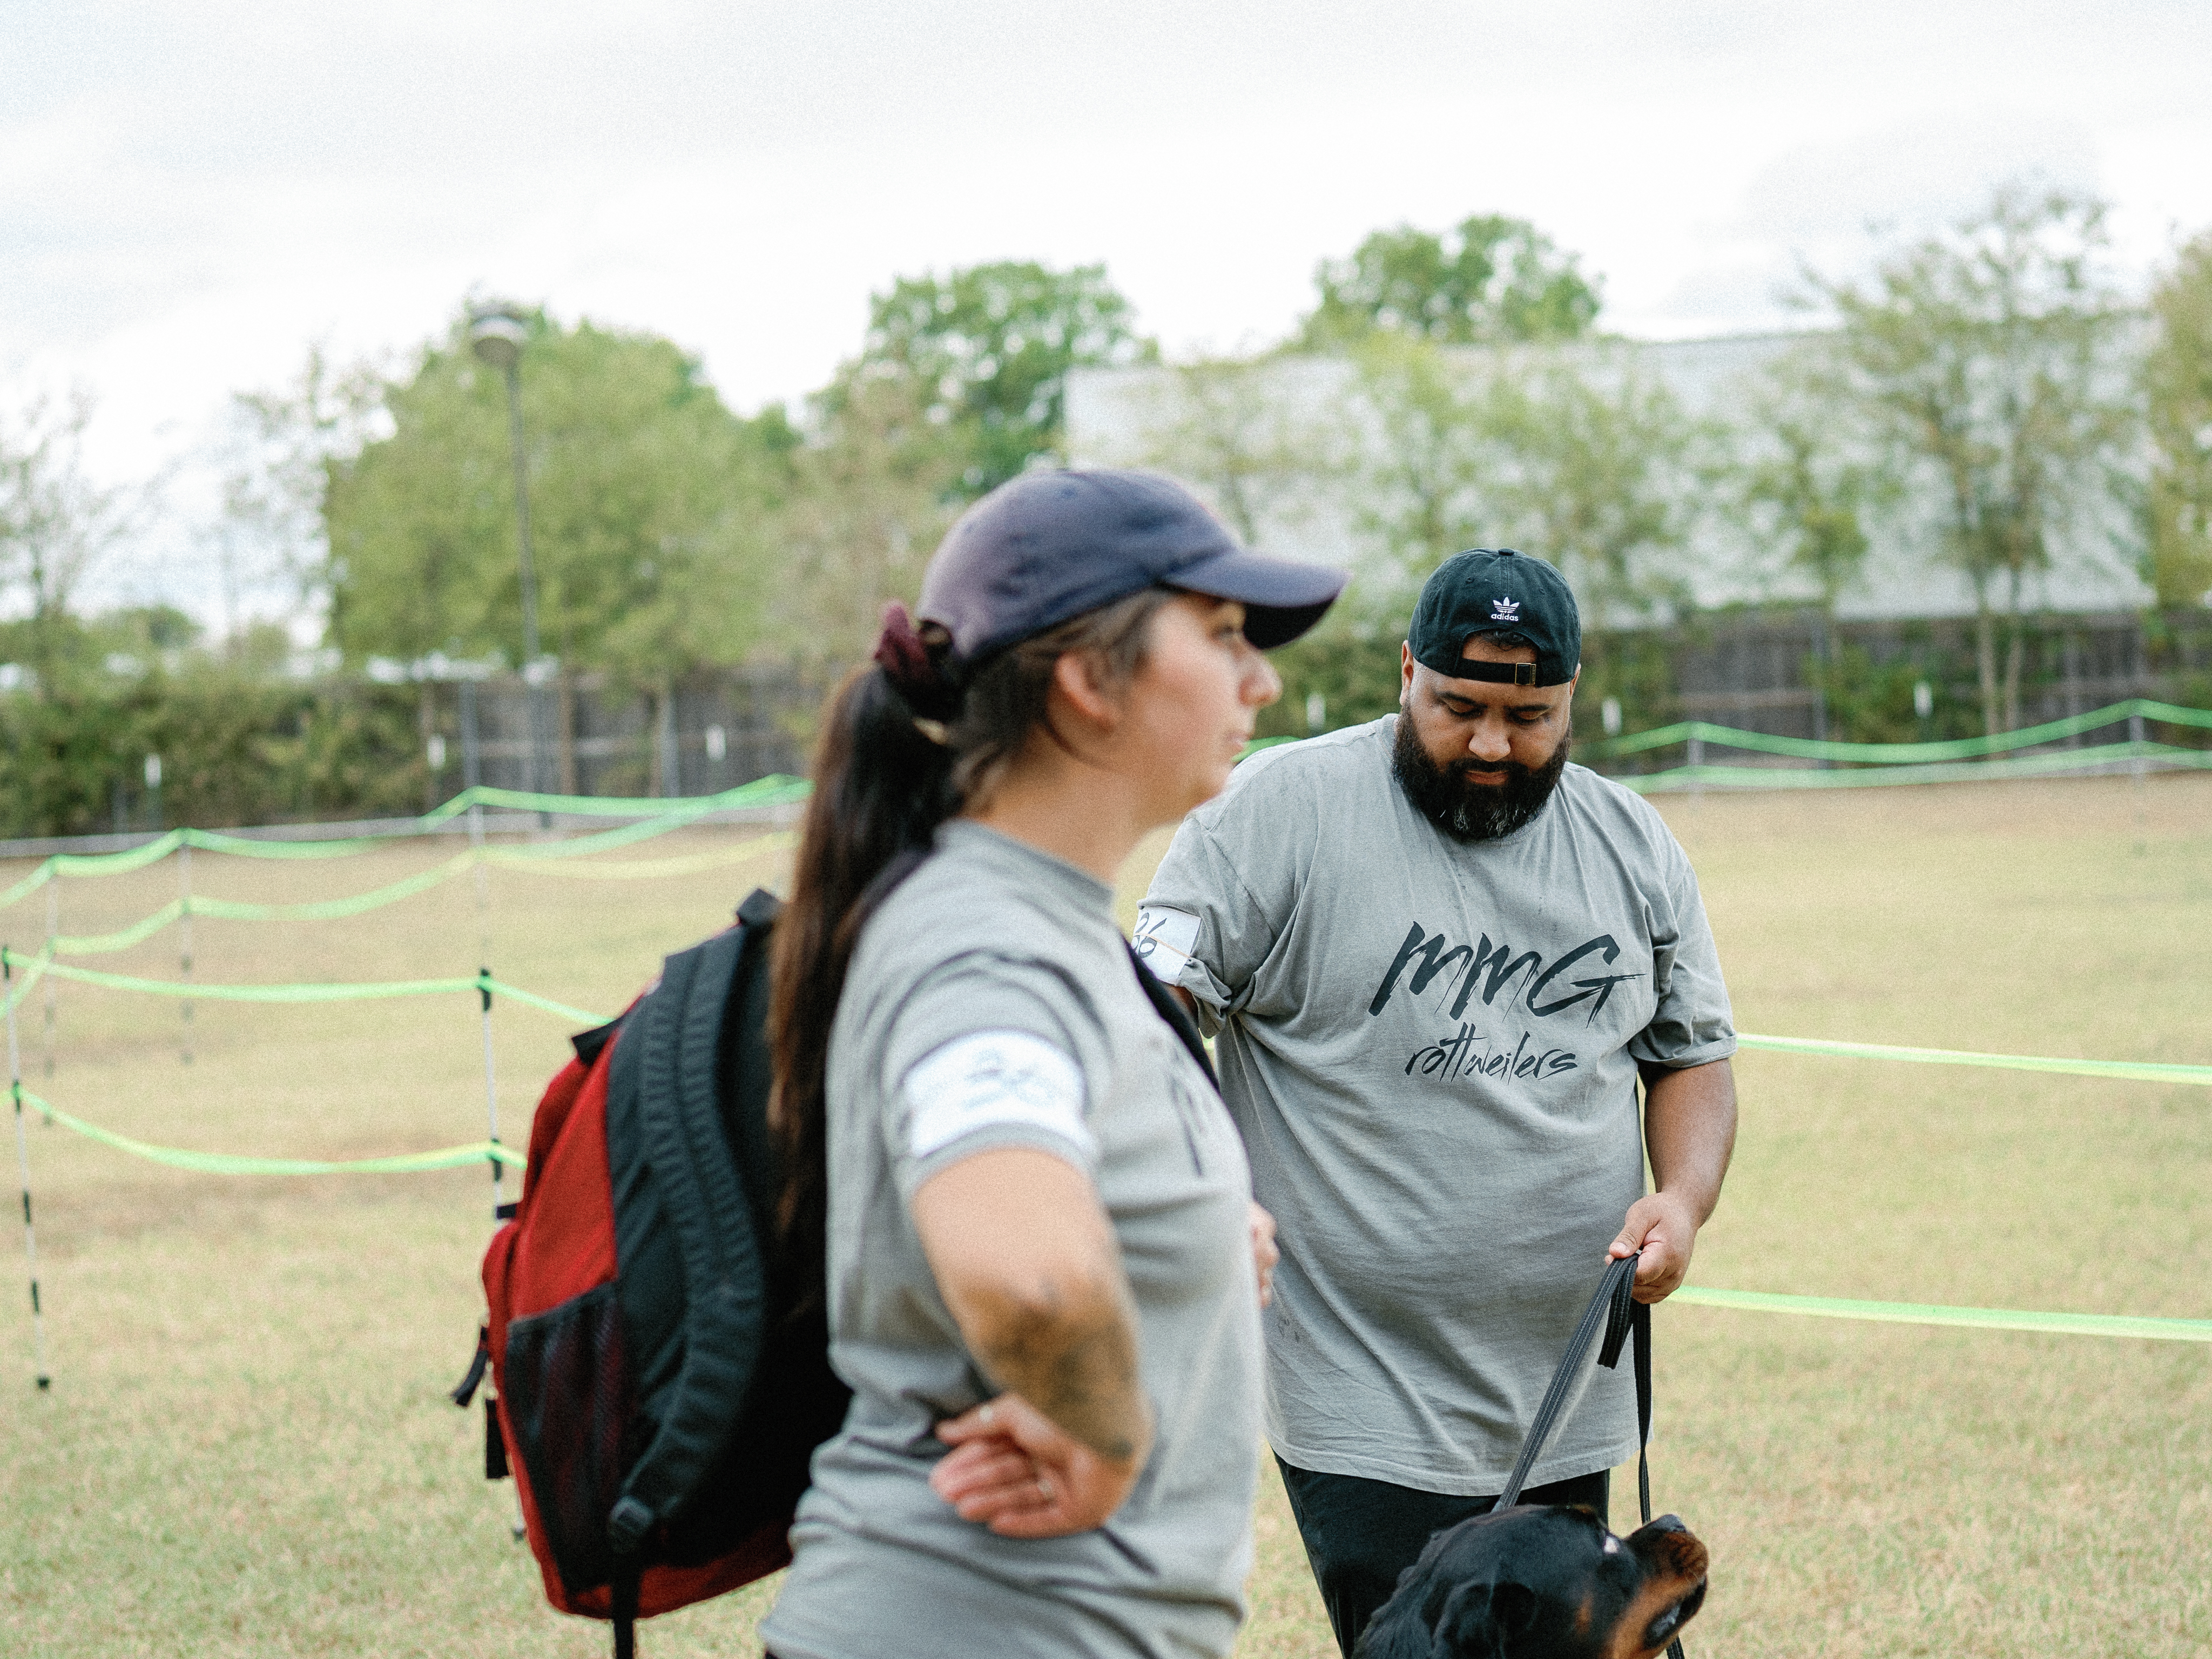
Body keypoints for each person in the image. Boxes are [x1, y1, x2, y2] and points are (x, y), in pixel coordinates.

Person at [758, 469, 1346, 1659]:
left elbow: (1059, 1208)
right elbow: (1026, 1276)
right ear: (1085, 680)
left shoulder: (1049, 924)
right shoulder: (980, 945)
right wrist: (1109, 1428)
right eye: (1224, 635)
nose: (1260, 679)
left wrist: (1183, 1245)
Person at [1134, 547, 1739, 1657]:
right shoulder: (1277, 812)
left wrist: (1683, 1199)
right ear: (1404, 672)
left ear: (1571, 700)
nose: (1492, 744)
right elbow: (1148, 1011)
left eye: (1530, 716)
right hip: (1357, 1385)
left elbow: (1689, 1051)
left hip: (1566, 1373)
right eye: (1457, 707)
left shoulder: (1630, 844)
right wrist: (1186, 1182)